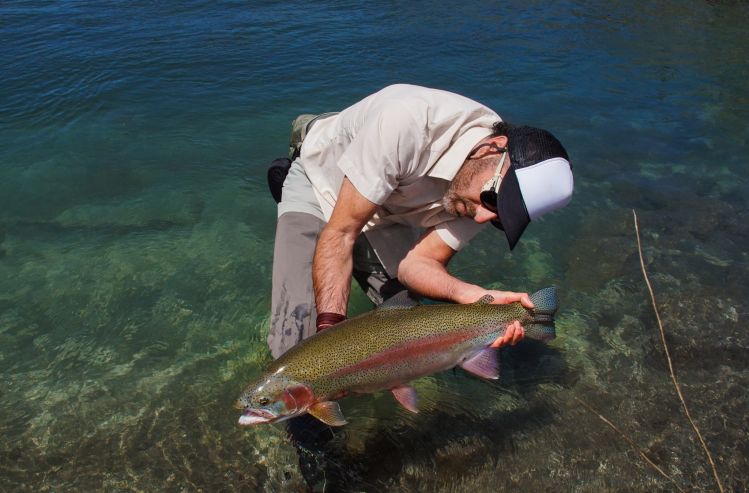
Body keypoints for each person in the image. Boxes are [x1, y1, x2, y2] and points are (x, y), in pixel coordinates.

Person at [265, 83, 573, 489]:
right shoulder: (406, 122)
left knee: (408, 312)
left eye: (501, 219)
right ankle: (313, 451)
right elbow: (340, 234)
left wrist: (474, 298)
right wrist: (331, 346)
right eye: (492, 202)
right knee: (293, 343)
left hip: (390, 211)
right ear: (491, 147)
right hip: (325, 181)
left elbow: (419, 265)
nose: (483, 218)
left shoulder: (481, 192)